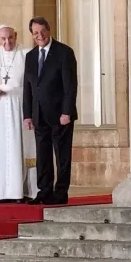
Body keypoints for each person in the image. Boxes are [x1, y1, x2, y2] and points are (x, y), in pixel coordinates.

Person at [0, 24, 39, 203]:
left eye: (10, 38)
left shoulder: (26, 54)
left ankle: (23, 192)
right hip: (1, 106)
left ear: (15, 36)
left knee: (23, 147)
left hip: (21, 105)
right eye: (3, 39)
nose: (7, 42)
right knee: (2, 147)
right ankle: (1, 193)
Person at [23, 17, 77, 205]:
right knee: (42, 155)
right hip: (39, 115)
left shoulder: (64, 52)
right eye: (35, 33)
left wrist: (66, 112)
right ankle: (44, 191)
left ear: (49, 29)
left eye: (42, 31)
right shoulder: (30, 57)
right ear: (32, 35)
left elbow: (70, 86)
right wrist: (27, 115)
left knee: (62, 155)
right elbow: (28, 88)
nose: (40, 36)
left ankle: (60, 192)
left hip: (60, 115)